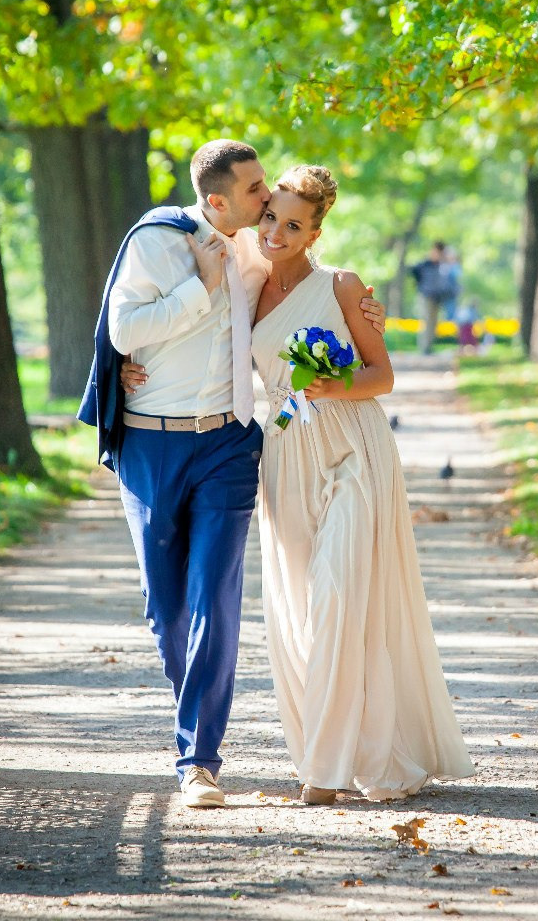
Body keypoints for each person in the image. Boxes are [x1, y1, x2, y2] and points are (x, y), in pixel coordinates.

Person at [92, 140, 385, 810]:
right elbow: (121, 331)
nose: (266, 208)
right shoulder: (157, 241)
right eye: (257, 193)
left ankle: (198, 761)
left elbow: (310, 288)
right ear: (219, 199)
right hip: (150, 445)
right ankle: (192, 714)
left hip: (229, 447)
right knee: (167, 612)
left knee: (215, 598)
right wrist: (199, 289)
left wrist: (371, 314)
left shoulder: (258, 252)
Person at [251, 165, 473, 804]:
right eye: (271, 217)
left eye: (294, 224)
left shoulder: (343, 286)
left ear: (316, 230)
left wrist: (334, 383)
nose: (277, 232)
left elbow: (383, 375)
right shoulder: (243, 286)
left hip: (354, 449)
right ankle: (324, 740)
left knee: (343, 593)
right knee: (300, 610)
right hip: (286, 454)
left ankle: (326, 770)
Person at [409, 241, 458, 354]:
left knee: (434, 322)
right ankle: (424, 348)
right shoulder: (425, 264)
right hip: (426, 295)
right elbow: (414, 271)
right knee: (426, 321)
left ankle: (429, 347)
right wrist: (420, 285)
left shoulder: (442, 265)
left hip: (437, 297)